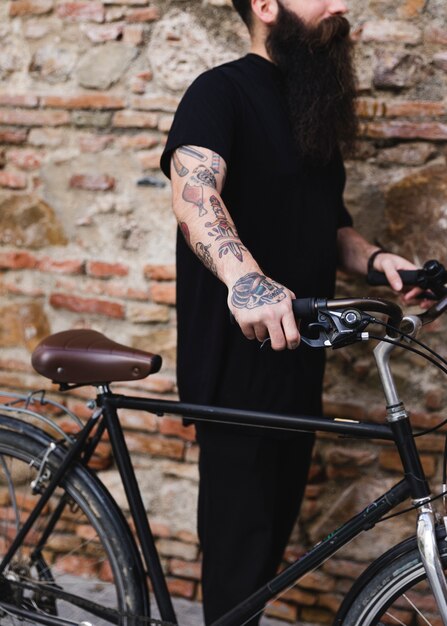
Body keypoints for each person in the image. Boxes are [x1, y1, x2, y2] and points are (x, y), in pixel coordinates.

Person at [160, 1, 418, 623]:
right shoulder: (218, 91)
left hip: (299, 366)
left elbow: (328, 229)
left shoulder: (312, 110)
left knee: (266, 557)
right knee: (238, 573)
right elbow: (194, 193)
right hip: (236, 374)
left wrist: (380, 261)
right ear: (267, 6)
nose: (341, 4)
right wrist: (246, 279)